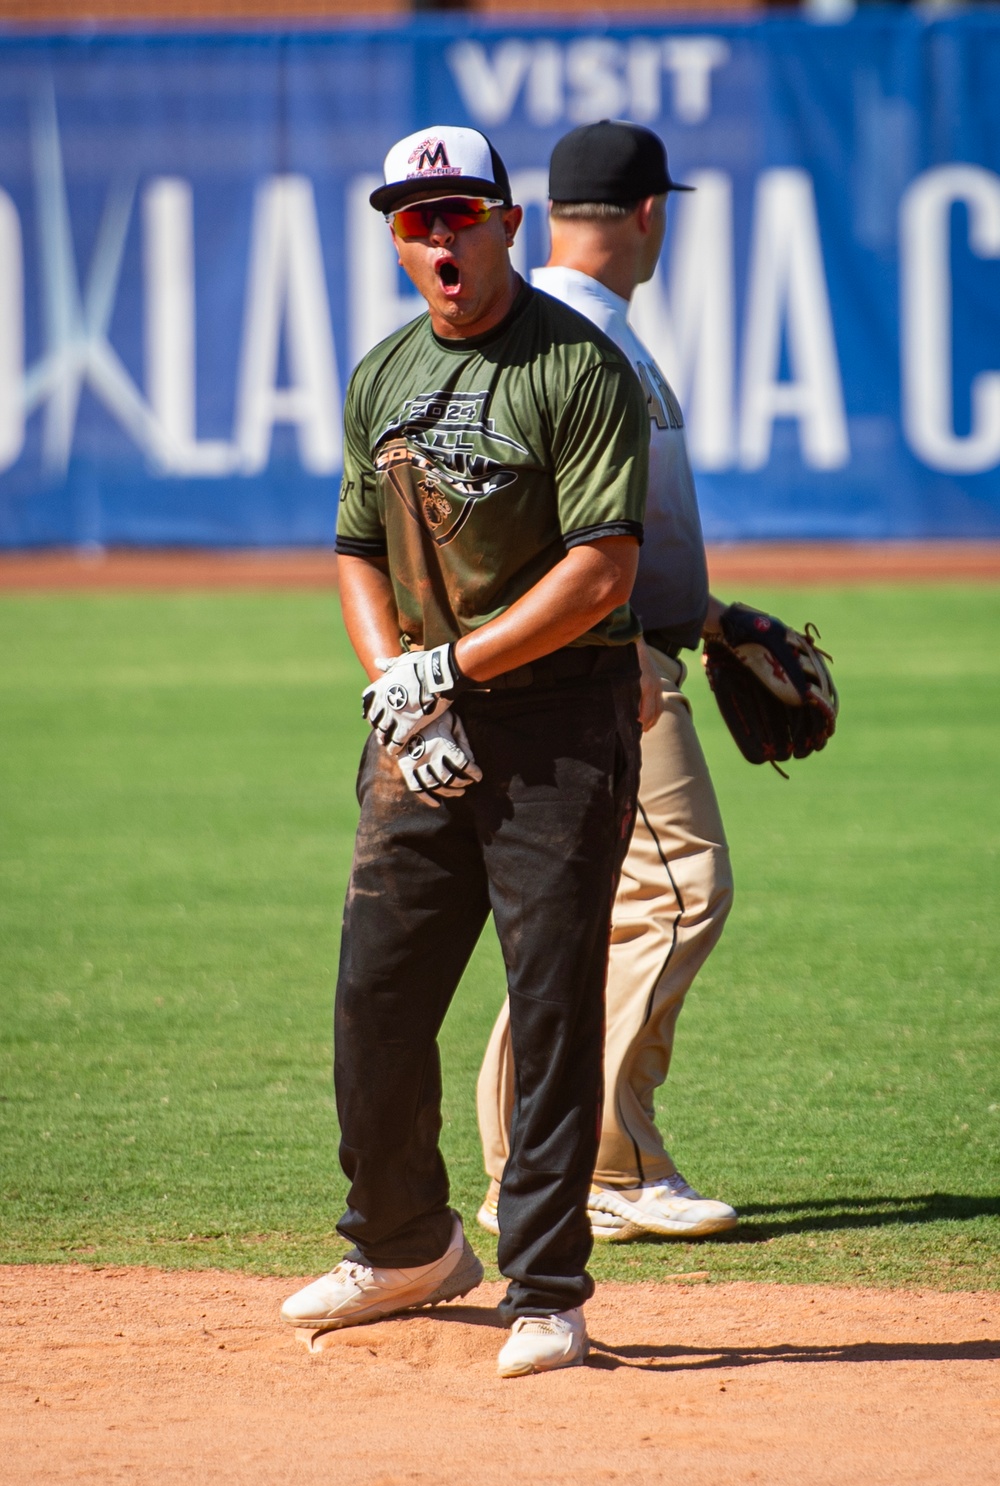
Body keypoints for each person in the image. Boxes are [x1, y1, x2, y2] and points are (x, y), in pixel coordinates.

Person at [279, 125, 649, 1378]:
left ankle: (546, 1289)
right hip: (421, 724)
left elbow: (602, 569)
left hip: (556, 724)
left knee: (547, 1006)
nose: (437, 238)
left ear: (504, 220)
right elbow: (354, 551)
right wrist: (400, 685)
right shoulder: (382, 374)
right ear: (396, 237)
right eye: (412, 219)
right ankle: (403, 1244)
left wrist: (455, 668)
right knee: (374, 996)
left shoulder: (575, 367)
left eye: (458, 214)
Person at [476, 121, 740, 1245]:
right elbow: (532, 517)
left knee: (580, 915)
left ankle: (521, 1168)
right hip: (605, 658)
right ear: (650, 214)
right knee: (679, 884)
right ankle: (607, 1164)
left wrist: (711, 619)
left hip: (608, 640)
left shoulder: (556, 328)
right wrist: (630, 643)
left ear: (545, 214)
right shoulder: (582, 340)